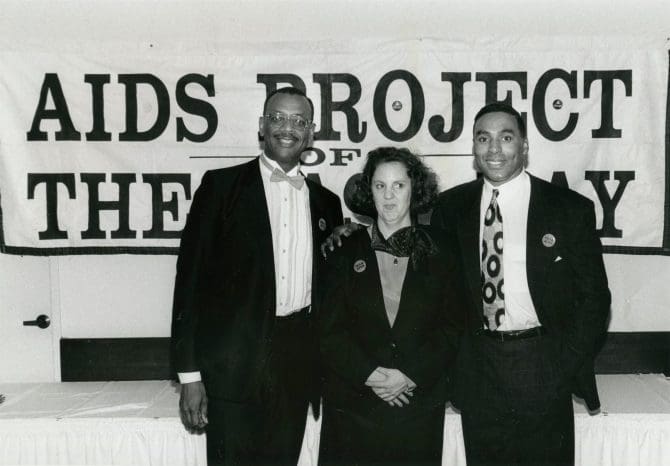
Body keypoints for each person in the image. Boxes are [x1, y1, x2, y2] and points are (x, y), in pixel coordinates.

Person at [431, 102, 611, 466]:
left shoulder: (568, 208)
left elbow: (595, 298)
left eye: (506, 137)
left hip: (543, 363)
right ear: (474, 149)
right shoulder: (450, 208)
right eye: (484, 138)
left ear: (524, 147)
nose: (494, 149)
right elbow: (438, 294)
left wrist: (562, 364)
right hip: (479, 367)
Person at [171, 87, 343, 466]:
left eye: (299, 121)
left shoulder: (327, 203)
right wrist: (189, 376)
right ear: (262, 126)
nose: (288, 128)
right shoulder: (220, 187)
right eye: (279, 117)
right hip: (232, 367)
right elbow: (190, 284)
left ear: (311, 133)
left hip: (297, 366)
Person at [318, 147, 464, 466]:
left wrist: (410, 374)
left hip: (417, 407)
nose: (388, 196)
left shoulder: (445, 250)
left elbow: (454, 327)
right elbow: (328, 332)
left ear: (416, 189)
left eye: (399, 185)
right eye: (379, 185)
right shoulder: (343, 251)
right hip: (353, 408)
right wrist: (370, 374)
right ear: (369, 190)